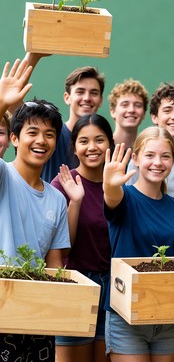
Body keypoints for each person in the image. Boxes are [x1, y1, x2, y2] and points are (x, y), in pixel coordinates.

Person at [103, 127, 174, 362]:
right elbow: (112, 197)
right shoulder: (125, 197)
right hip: (126, 314)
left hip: (167, 312)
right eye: (150, 155)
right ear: (136, 158)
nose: (157, 162)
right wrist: (109, 184)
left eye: (165, 156)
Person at [0, 59, 70, 361]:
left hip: (37, 316)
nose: (41, 140)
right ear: (14, 139)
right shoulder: (3, 175)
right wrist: (1, 102)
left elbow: (54, 266)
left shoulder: (57, 199)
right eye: (32, 132)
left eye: (50, 134)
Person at [51, 114, 114, 362]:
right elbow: (63, 249)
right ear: (75, 147)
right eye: (84, 141)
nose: (92, 147)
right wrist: (75, 202)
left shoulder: (117, 187)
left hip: (111, 289)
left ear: (110, 142)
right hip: (77, 283)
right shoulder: (62, 184)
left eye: (99, 140)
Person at [41, 66, 105, 183]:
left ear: (100, 100)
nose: (87, 98)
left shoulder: (106, 147)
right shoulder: (53, 134)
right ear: (67, 97)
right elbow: (16, 106)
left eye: (94, 93)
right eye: (80, 92)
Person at [108, 78, 148, 146]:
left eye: (138, 105)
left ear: (144, 113)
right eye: (125, 105)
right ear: (113, 111)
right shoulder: (103, 148)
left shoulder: (148, 149)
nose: (131, 110)